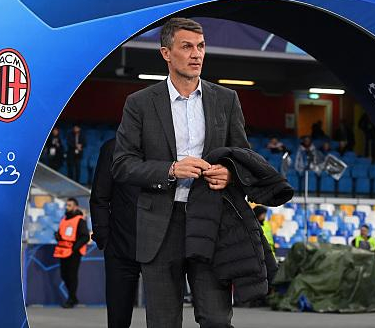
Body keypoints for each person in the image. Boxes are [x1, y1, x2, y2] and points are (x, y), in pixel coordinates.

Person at [112, 17, 251, 328]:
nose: (196, 54)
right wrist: (171, 169)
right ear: (166, 53)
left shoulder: (227, 99)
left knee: (217, 320)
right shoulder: (139, 103)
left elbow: (243, 158)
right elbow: (122, 164)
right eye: (187, 47)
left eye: (200, 46)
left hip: (211, 221)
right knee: (163, 322)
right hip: (161, 227)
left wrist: (229, 174)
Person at [90, 138, 141, 328]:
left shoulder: (167, 145)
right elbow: (99, 196)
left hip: (160, 245)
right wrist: (104, 236)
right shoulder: (113, 147)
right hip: (120, 244)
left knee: (164, 319)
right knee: (118, 318)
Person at [53, 197, 90, 308]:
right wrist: (58, 236)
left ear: (75, 207)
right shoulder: (64, 219)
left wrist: (74, 248)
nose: (67, 207)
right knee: (64, 275)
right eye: (66, 205)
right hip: (63, 251)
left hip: (74, 252)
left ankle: (71, 299)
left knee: (72, 276)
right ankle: (73, 298)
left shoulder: (80, 220)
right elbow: (62, 234)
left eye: (69, 205)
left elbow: (85, 237)